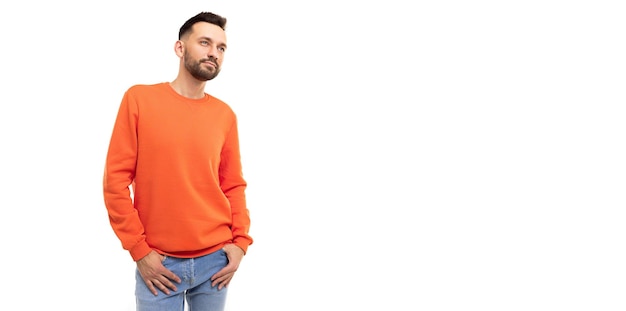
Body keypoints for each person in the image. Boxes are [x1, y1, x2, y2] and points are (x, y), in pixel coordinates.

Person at [102, 11, 253, 311]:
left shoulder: (225, 116)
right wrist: (139, 250)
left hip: (215, 263)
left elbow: (233, 185)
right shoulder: (139, 100)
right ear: (180, 48)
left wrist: (240, 244)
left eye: (221, 48)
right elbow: (115, 182)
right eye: (205, 42)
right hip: (159, 263)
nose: (214, 53)